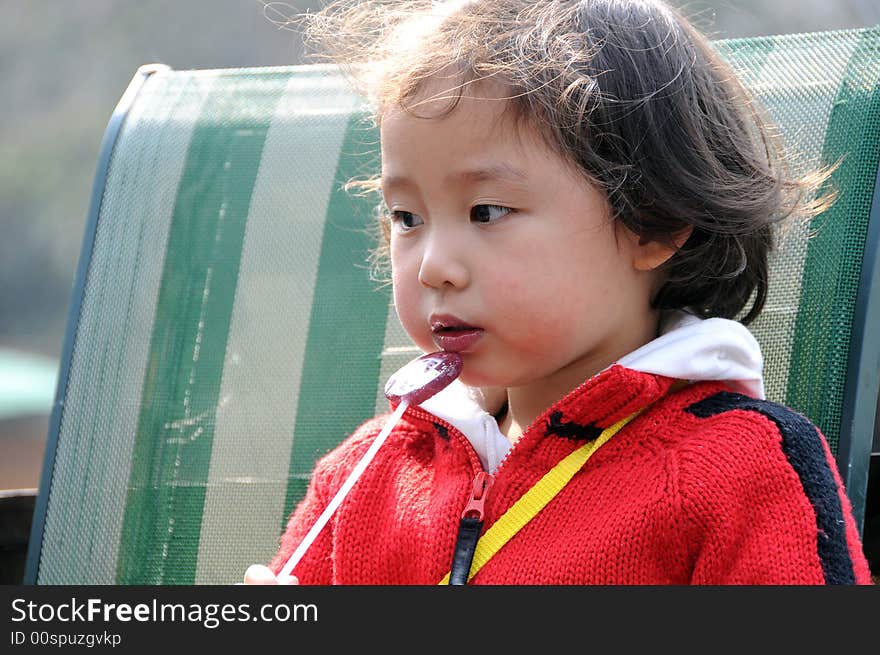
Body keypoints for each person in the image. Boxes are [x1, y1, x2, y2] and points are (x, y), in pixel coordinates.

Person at [244, 0, 871, 585]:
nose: (433, 266)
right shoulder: (364, 476)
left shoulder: (737, 470)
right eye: (407, 218)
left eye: (486, 211)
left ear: (652, 224)